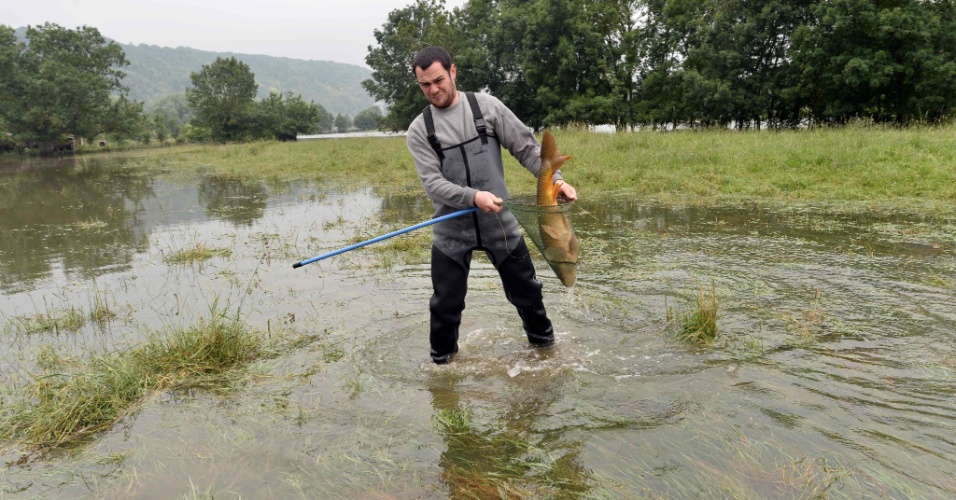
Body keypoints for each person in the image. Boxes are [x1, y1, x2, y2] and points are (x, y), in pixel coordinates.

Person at [406, 46, 578, 364]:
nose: (433, 90)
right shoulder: (419, 130)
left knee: (528, 296)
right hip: (450, 231)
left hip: (500, 225)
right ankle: (442, 373)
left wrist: (557, 182)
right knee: (444, 307)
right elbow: (433, 184)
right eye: (425, 85)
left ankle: (547, 356)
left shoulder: (487, 107)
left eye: (438, 80)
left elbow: (528, 149)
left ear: (453, 72)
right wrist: (473, 196)